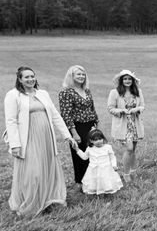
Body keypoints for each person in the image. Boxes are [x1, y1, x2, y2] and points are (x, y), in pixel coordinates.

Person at [4, 66, 77, 217]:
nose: (30, 79)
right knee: (33, 171)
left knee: (48, 167)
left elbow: (55, 115)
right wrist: (15, 144)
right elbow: (11, 121)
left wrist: (67, 135)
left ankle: (49, 199)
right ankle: (31, 202)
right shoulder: (13, 95)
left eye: (32, 76)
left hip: (45, 138)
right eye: (26, 77)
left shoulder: (42, 93)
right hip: (28, 138)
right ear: (19, 79)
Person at [58, 65, 100, 190]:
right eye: (78, 74)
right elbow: (66, 114)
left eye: (83, 74)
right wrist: (74, 133)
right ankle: (82, 183)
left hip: (90, 125)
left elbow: (92, 108)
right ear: (72, 76)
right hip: (77, 127)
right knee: (80, 155)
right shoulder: (66, 92)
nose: (81, 76)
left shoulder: (86, 90)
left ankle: (93, 180)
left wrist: (96, 124)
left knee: (93, 153)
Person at [107, 70, 145, 183]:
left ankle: (133, 171)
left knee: (133, 150)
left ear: (132, 80)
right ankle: (126, 173)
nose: (127, 81)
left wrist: (137, 109)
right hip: (123, 125)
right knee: (129, 149)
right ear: (121, 80)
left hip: (135, 124)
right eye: (125, 79)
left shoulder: (138, 91)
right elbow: (110, 108)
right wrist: (122, 111)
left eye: (129, 79)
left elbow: (142, 106)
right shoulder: (114, 92)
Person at [74, 128, 123, 195]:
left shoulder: (107, 147)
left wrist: (114, 165)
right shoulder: (90, 149)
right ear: (91, 141)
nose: (99, 141)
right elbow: (84, 157)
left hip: (106, 168)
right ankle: (96, 190)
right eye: (96, 140)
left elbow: (112, 157)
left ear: (103, 138)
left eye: (100, 139)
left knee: (106, 179)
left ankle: (107, 190)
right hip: (93, 169)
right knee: (95, 180)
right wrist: (77, 150)